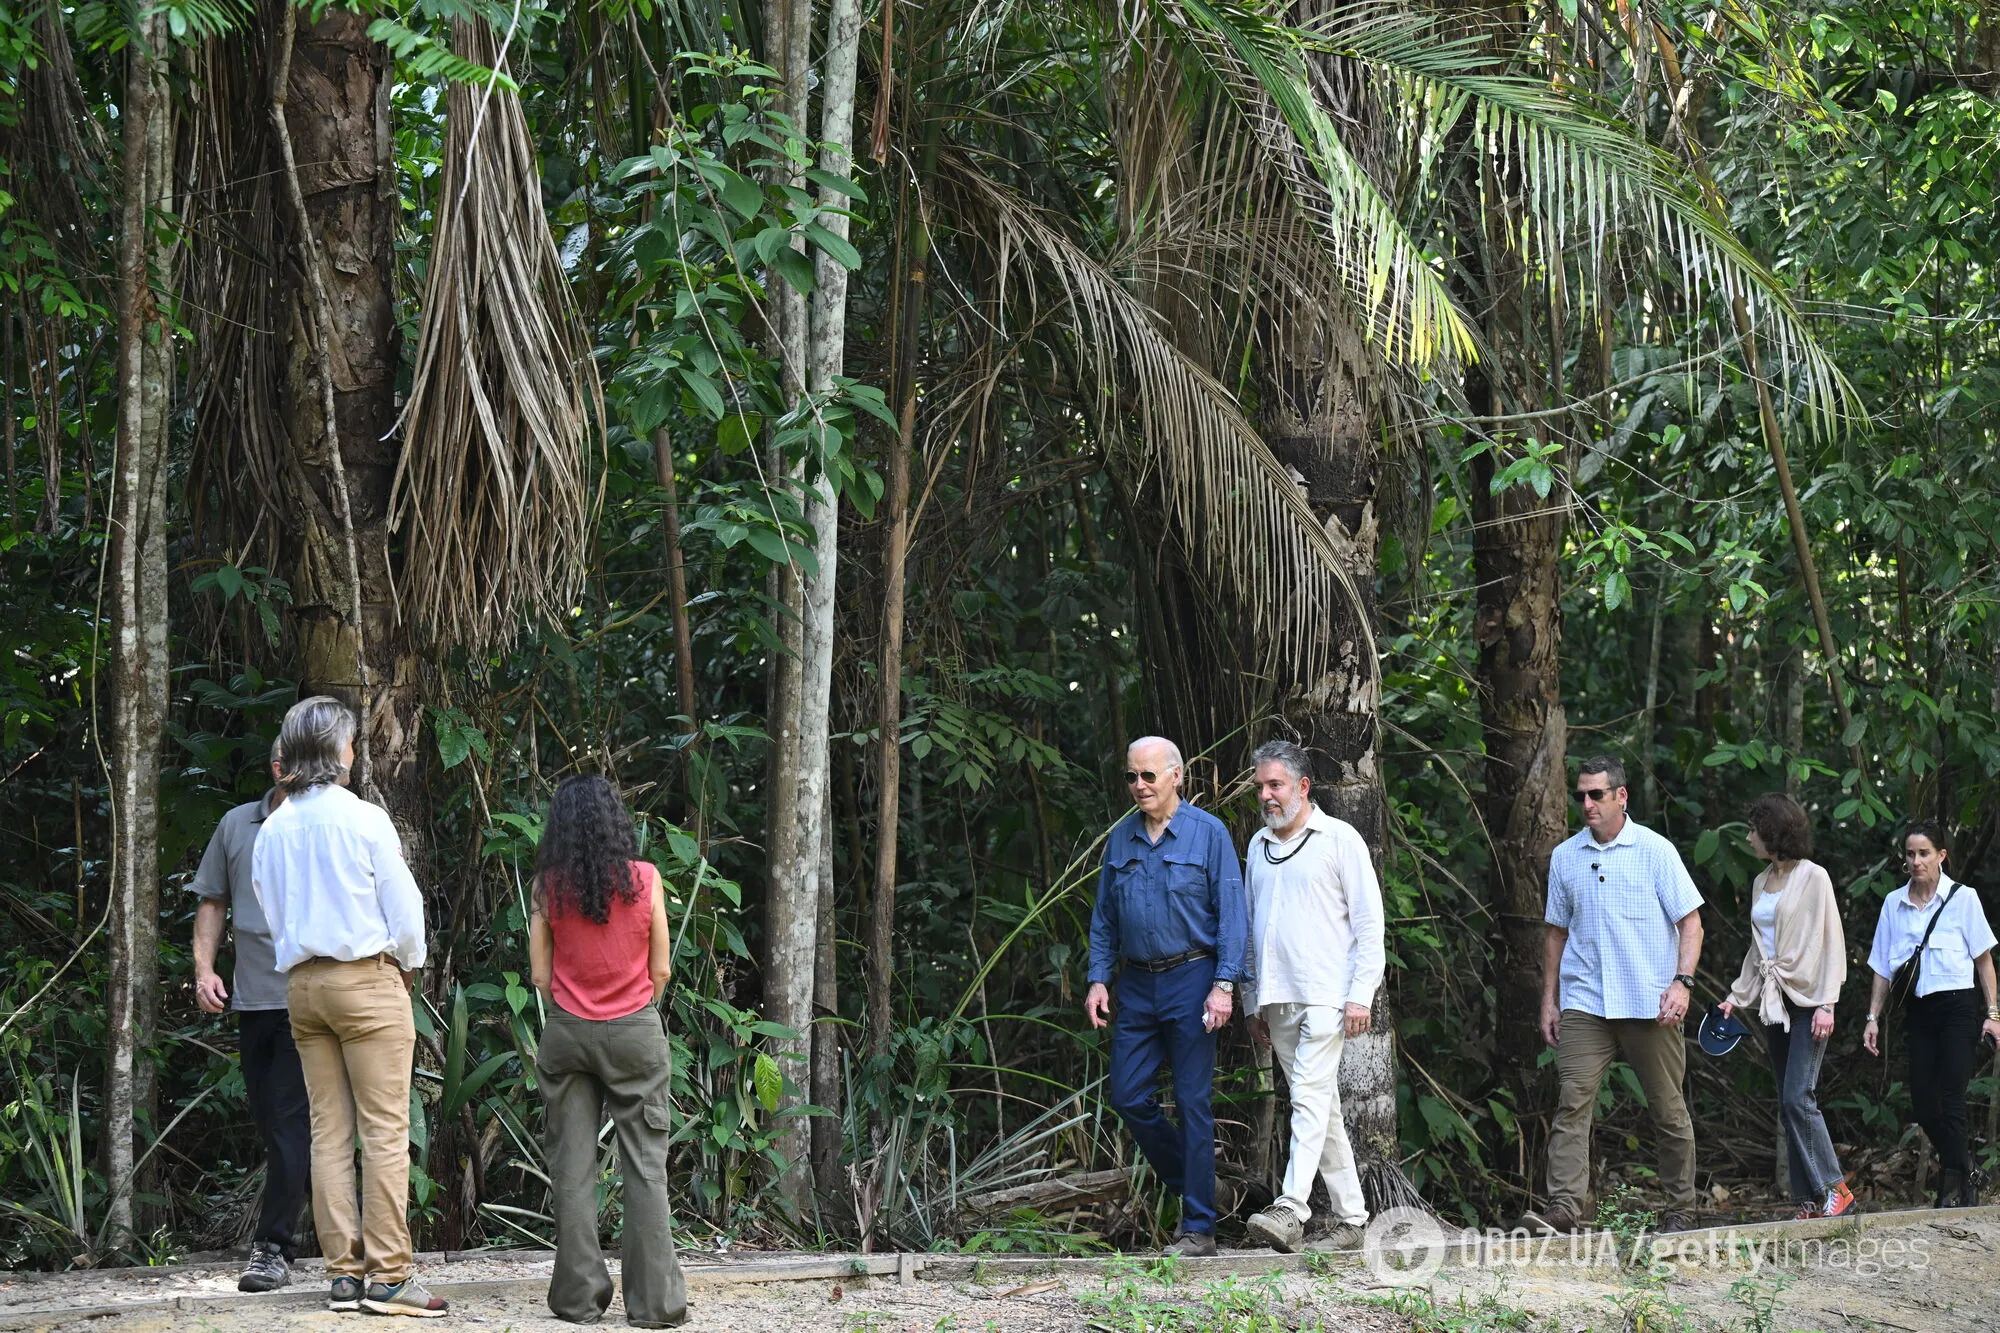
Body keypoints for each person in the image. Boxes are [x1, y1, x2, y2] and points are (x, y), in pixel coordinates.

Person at [251, 696, 444, 1317]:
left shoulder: (273, 828)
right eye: (352, 743)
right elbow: (405, 911)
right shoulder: (364, 819)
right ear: (338, 751)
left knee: (328, 1131)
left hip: (303, 987)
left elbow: (270, 914)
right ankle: (388, 1278)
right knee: (384, 1131)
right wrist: (406, 965)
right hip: (366, 980)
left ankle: (343, 1274)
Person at [1519, 756, 1705, 1236]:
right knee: (1572, 1101)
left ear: (1621, 796)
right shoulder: (1566, 856)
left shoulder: (1656, 851)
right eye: (1581, 794)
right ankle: (1564, 1208)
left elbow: (1691, 923)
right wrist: (1549, 1000)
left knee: (1667, 1107)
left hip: (1650, 1001)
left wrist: (1682, 984)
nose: (1586, 804)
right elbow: (1556, 933)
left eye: (1596, 794)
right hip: (1586, 1002)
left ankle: (1681, 1206)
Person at [528, 776, 686, 1328]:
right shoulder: (645, 879)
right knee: (645, 1168)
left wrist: (577, 1005)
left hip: (567, 1033)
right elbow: (661, 968)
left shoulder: (548, 886)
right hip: (636, 1032)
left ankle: (577, 1301)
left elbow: (539, 975)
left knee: (572, 1171)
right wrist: (637, 1008)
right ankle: (656, 1307)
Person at [1085, 736, 1247, 1257]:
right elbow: (1105, 917)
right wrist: (1098, 978)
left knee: (1194, 1104)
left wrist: (1224, 986)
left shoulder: (1208, 833)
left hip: (1193, 980)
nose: (1139, 786)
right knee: (1129, 1097)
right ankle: (1205, 1189)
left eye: (1149, 776)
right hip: (1136, 984)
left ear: (1177, 776)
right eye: (1131, 776)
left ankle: (1199, 1228)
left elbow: (1232, 915)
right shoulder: (1122, 838)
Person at [1238, 740, 1384, 1254]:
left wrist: (1361, 994)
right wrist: (1251, 999)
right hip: (1276, 998)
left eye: (1275, 785)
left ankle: (1291, 1208)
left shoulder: (1340, 839)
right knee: (1320, 1106)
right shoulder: (1257, 845)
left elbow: (1369, 924)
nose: (1266, 795)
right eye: (1260, 786)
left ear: (1302, 787)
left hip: (1327, 994)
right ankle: (1353, 1218)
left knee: (1305, 1095)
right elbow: (1253, 929)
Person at [190, 741, 311, 1292]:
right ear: (273, 767)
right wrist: (204, 969)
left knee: (289, 1123)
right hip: (252, 998)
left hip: (309, 998)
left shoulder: (324, 823)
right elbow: (212, 901)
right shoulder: (239, 824)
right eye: (279, 759)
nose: (287, 768)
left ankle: (273, 1248)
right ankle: (307, 1230)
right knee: (273, 1122)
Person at [1718, 793, 1854, 1219]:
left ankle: (1836, 1189)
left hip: (1811, 1000)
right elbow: (1758, 952)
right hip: (1774, 1003)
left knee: (1800, 1096)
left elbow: (1833, 942)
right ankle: (1809, 1201)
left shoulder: (1814, 877)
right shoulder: (1761, 882)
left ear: (1773, 833)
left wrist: (1828, 1005)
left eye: (1753, 829)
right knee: (1787, 1100)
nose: (1748, 837)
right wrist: (1735, 996)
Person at [1861, 821, 2000, 1207]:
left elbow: (1984, 962)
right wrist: (1873, 1017)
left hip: (1958, 1006)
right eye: (1910, 854)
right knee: (1923, 1104)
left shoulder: (1963, 898)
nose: (1916, 861)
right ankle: (1966, 1168)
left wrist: (1994, 1014)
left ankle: (1955, 1189)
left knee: (1952, 1098)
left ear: (1941, 856)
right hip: (1919, 1011)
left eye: (1924, 853)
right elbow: (1881, 967)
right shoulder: (1894, 903)